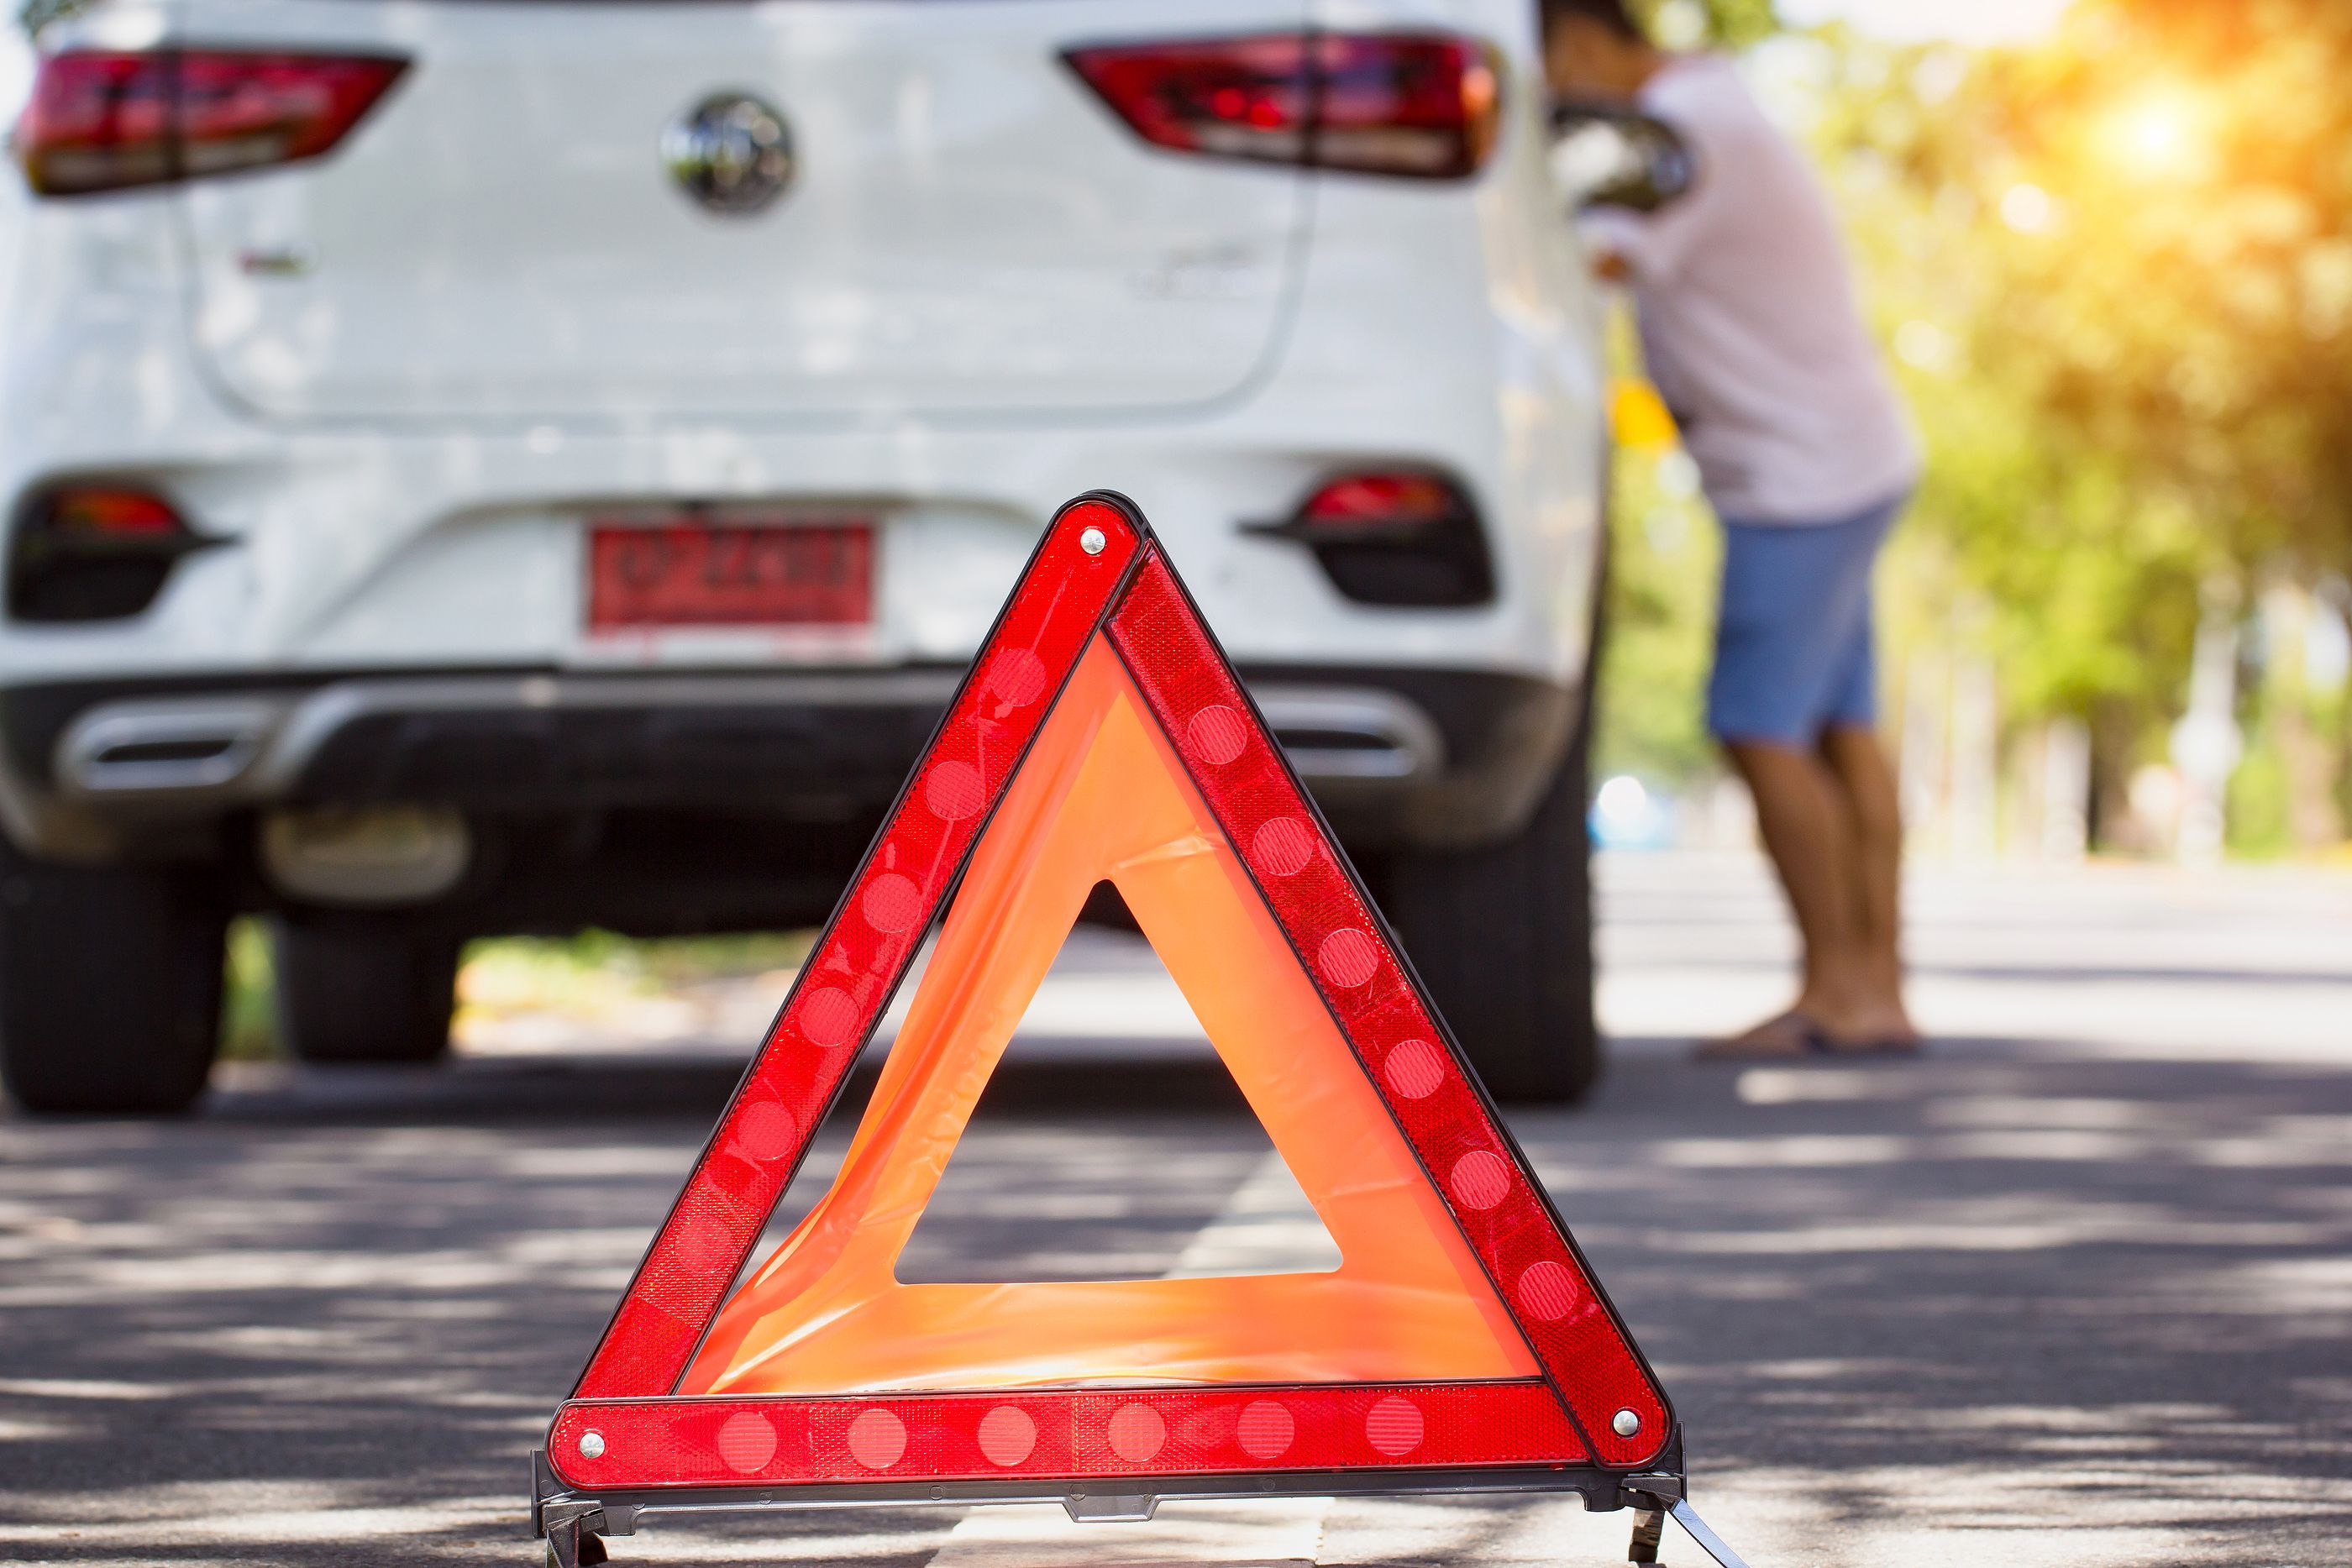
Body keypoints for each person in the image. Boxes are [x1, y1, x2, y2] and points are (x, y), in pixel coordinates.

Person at [1545, 0, 1923, 1056]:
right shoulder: (1712, 102)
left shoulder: (1677, 135)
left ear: (1576, 41)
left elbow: (1583, 260)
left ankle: (1838, 990)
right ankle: (1872, 989)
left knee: (1758, 728)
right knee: (1840, 731)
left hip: (1797, 479)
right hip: (1841, 456)